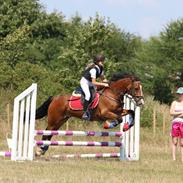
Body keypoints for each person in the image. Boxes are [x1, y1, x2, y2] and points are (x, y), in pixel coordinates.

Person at [80, 54, 109, 120]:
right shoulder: (93, 69)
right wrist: (104, 84)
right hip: (85, 82)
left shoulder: (101, 68)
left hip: (90, 83)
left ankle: (93, 109)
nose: (103, 62)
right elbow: (94, 82)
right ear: (97, 62)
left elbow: (103, 79)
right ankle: (85, 113)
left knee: (97, 94)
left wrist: (110, 83)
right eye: (101, 61)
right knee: (88, 95)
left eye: (103, 61)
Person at [169, 87, 183, 162]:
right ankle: (173, 159)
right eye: (178, 94)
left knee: (182, 143)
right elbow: (171, 112)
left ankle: (182, 159)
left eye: (181, 94)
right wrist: (180, 113)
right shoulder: (174, 103)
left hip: (182, 124)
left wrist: (177, 114)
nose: (179, 95)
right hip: (175, 123)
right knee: (175, 141)